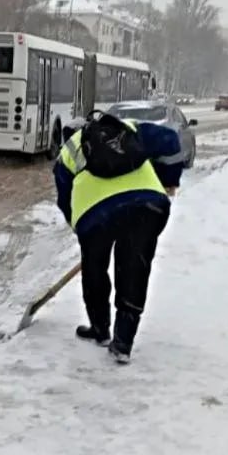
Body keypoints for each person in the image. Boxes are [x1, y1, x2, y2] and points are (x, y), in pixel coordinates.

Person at [53, 113, 184, 364]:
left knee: (95, 270)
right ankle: (123, 342)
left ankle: (100, 330)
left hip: (95, 214)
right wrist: (169, 180)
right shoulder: (127, 128)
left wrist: (80, 229)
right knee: (134, 269)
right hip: (147, 204)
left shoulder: (68, 151)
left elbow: (64, 199)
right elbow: (170, 140)